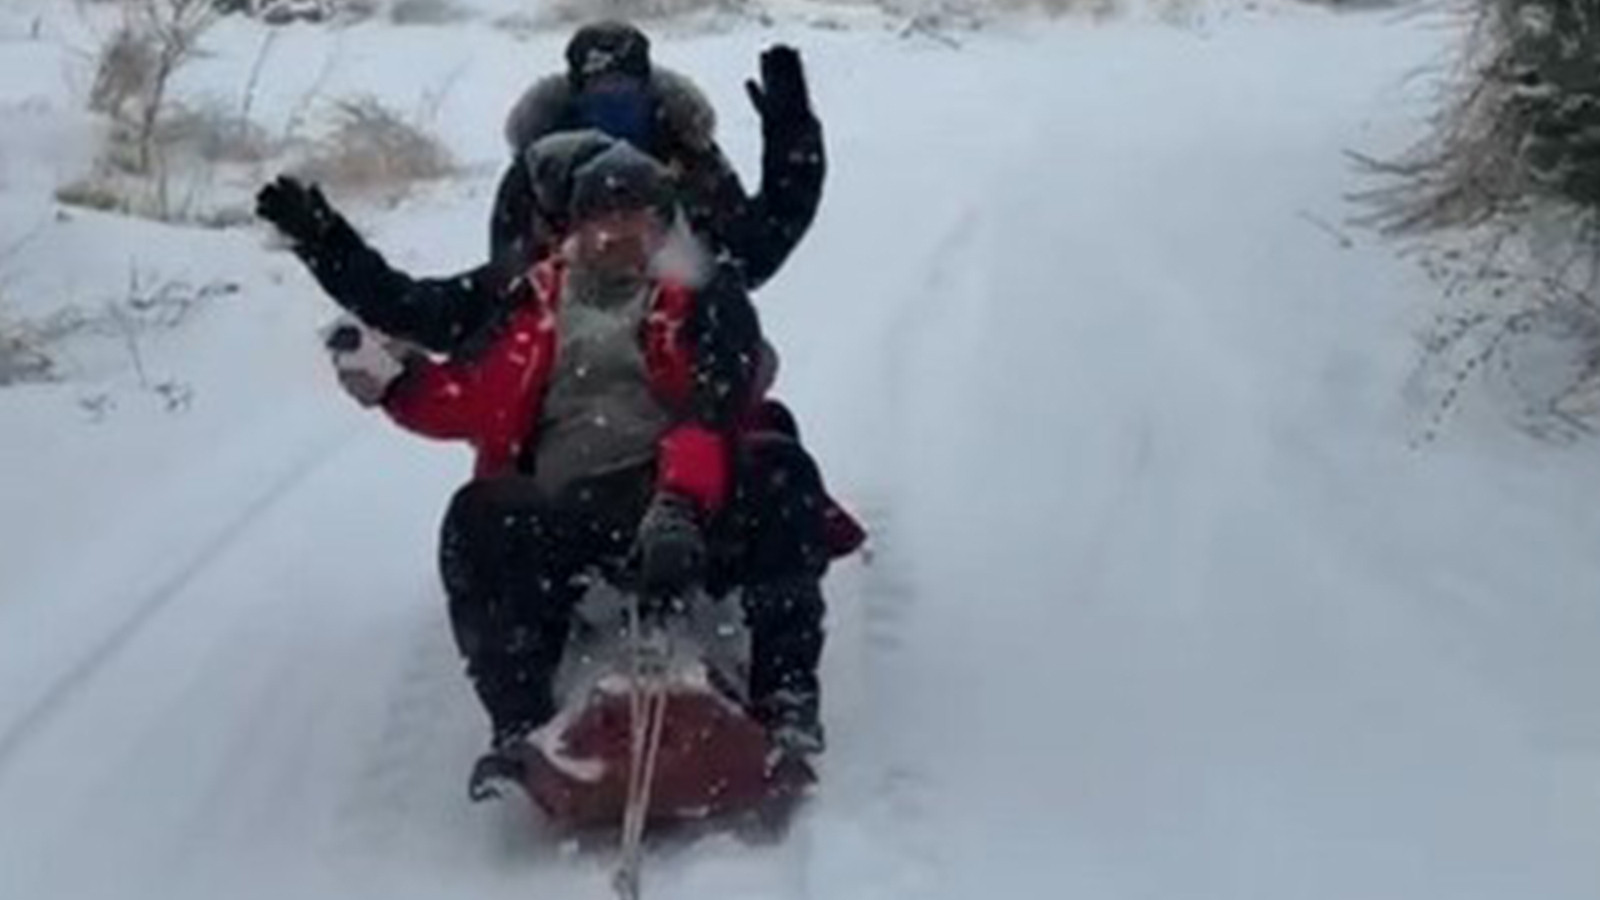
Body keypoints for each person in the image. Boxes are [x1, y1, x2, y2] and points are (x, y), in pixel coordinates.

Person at [256, 139, 832, 798]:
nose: (618, 234)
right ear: (574, 227)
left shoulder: (707, 295)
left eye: (637, 217)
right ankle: (520, 727)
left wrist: (677, 506)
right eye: (602, 218)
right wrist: (327, 245)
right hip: (573, 504)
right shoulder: (524, 295)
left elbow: (716, 404)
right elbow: (411, 310)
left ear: (664, 224)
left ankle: (787, 703)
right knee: (479, 518)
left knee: (781, 472)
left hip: (690, 498)